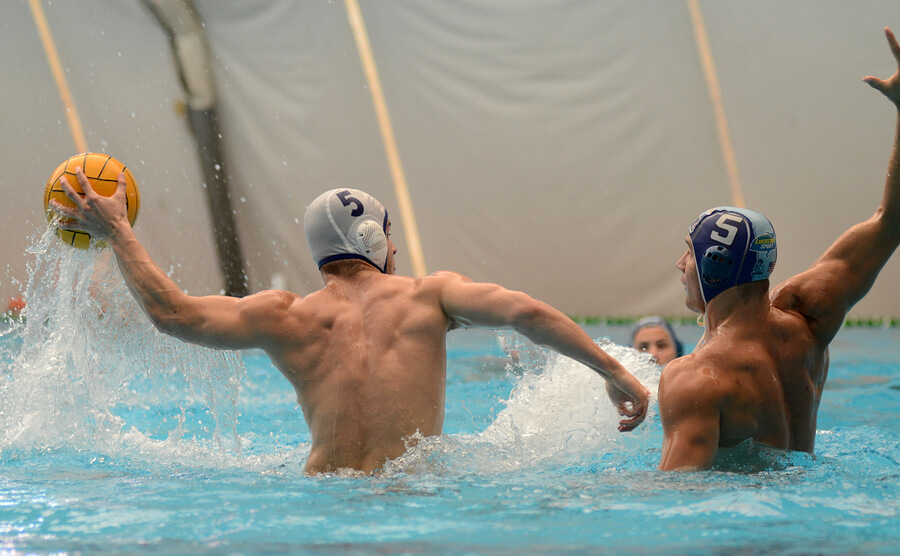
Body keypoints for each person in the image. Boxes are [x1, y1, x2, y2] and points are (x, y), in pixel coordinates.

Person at [50, 184, 650, 475]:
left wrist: (119, 233)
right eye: (388, 236)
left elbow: (173, 314)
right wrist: (615, 371)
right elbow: (530, 314)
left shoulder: (284, 315)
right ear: (372, 240)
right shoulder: (429, 295)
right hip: (410, 498)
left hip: (321, 496)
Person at [657, 27, 900, 472]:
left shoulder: (694, 377)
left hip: (747, 529)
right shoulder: (808, 320)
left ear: (715, 267)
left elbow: (676, 498)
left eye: (689, 253)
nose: (679, 264)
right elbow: (891, 221)